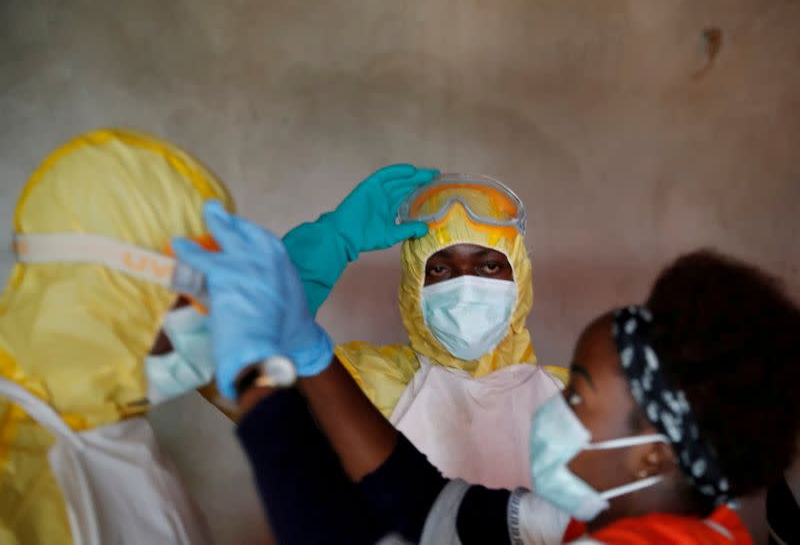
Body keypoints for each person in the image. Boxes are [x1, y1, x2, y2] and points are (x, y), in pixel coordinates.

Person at [175, 202, 800, 544]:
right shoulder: (671, 517)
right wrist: (309, 353)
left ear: (650, 457)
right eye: (441, 267)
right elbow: (438, 510)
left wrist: (264, 401)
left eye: (578, 396)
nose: (557, 409)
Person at [0, 129, 233, 542]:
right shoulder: (16, 486)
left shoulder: (111, 428)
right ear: (115, 300)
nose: (211, 323)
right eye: (192, 300)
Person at [282, 166, 567, 489]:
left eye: (489, 266)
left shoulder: (576, 400)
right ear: (414, 284)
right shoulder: (368, 384)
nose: (466, 288)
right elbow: (238, 366)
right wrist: (330, 242)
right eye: (440, 269)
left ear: (520, 276)